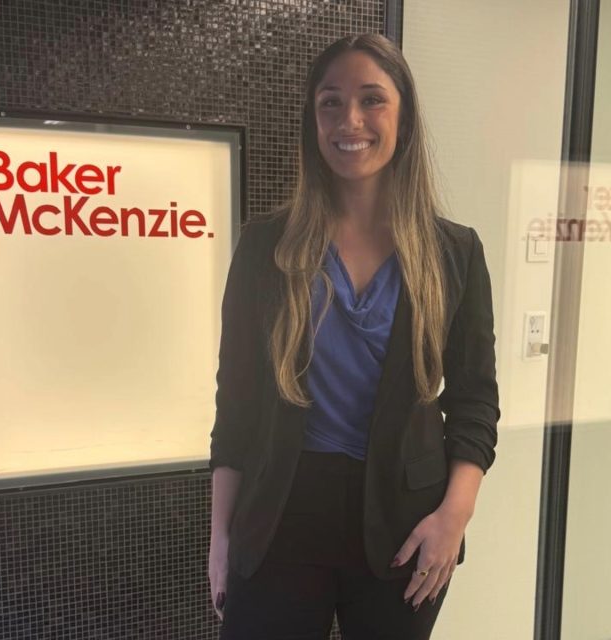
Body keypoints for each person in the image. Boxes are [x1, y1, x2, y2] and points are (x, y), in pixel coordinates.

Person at [208, 32, 500, 640]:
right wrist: (220, 538)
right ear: (313, 121)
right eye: (331, 103)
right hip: (280, 521)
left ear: (404, 118)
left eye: (372, 99)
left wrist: (454, 517)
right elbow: (235, 406)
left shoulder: (454, 253)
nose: (351, 121)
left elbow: (475, 401)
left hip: (404, 530)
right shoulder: (266, 247)